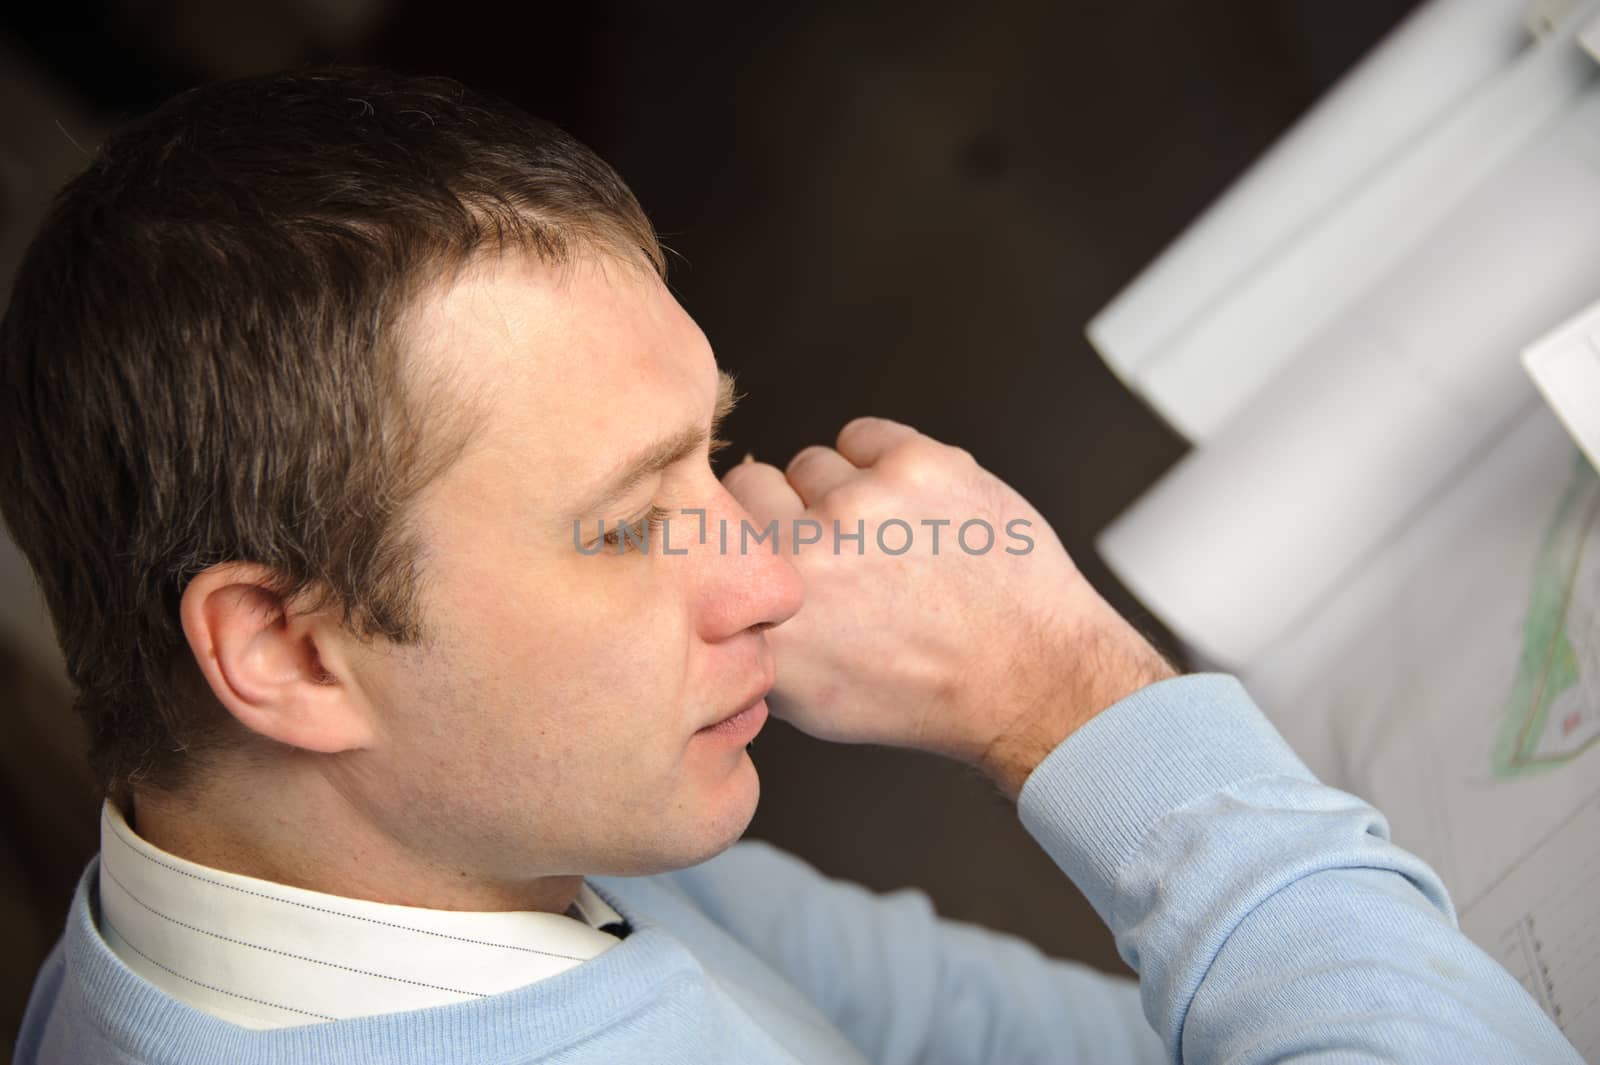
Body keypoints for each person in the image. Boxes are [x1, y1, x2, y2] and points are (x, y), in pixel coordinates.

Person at [0, 66, 1581, 1065]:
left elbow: (932, 1021)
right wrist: (1069, 701)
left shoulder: (460, 828)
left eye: (715, 447)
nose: (764, 570)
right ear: (283, 649)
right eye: (627, 523)